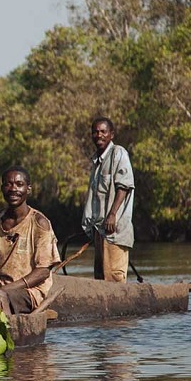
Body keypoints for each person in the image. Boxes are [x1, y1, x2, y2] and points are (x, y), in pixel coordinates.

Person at [0, 167, 61, 316]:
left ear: (28, 189)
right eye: (8, 184)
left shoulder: (39, 223)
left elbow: (43, 271)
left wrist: (5, 290)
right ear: (2, 188)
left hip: (29, 291)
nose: (13, 189)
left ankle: (7, 334)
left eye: (19, 184)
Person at [82, 116, 134, 282]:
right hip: (99, 231)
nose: (99, 135)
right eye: (95, 132)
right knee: (100, 280)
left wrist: (112, 214)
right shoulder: (96, 161)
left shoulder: (118, 153)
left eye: (103, 131)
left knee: (114, 279)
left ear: (111, 134)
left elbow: (124, 186)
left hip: (114, 231)